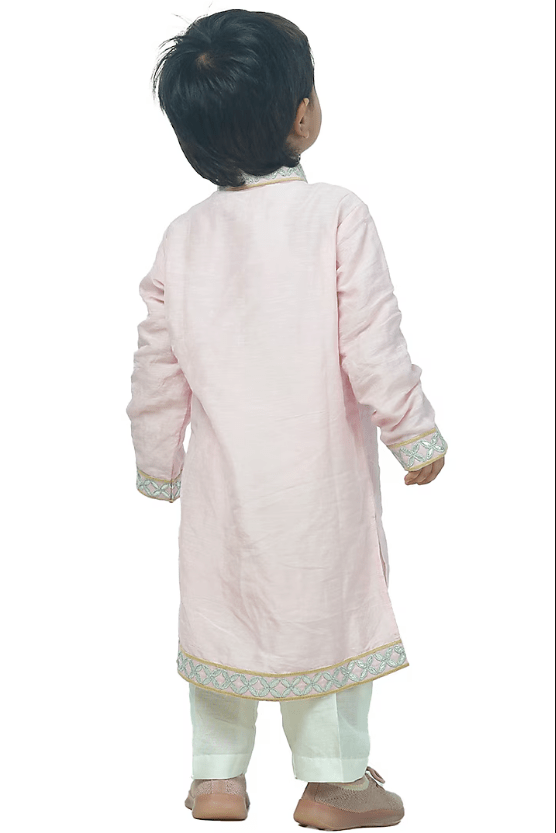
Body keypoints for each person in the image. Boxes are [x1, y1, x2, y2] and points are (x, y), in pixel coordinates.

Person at [125, 9, 448, 829]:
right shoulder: (335, 214)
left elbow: (156, 365)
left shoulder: (183, 237)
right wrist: (412, 431)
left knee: (221, 612)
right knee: (324, 614)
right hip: (317, 484)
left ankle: (216, 777)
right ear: (303, 116)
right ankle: (334, 782)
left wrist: (158, 461)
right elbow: (374, 340)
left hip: (223, 487)